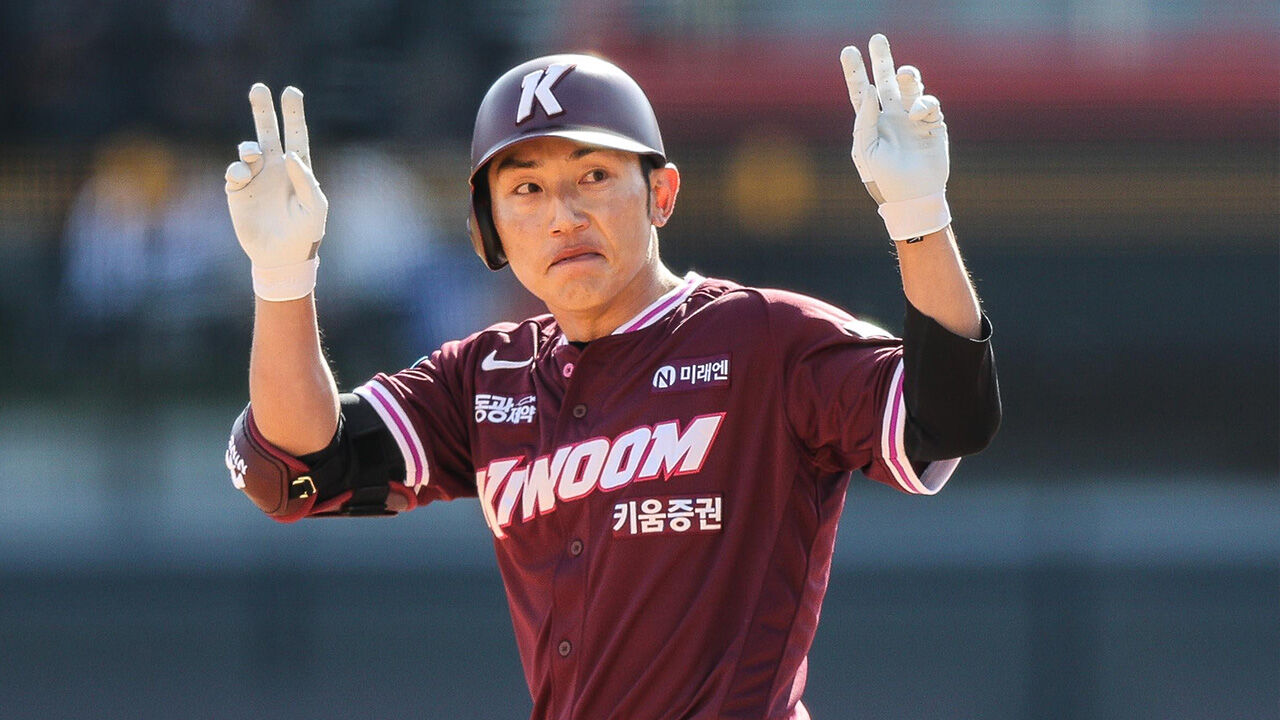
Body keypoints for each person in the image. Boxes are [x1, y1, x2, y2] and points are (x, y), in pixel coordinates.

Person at [223, 34, 1000, 720]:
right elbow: (295, 468)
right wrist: (283, 274)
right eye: (525, 189)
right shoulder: (484, 378)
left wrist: (918, 215)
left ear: (660, 193)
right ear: (489, 231)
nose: (562, 214)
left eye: (593, 175)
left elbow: (945, 419)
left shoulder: (766, 340)